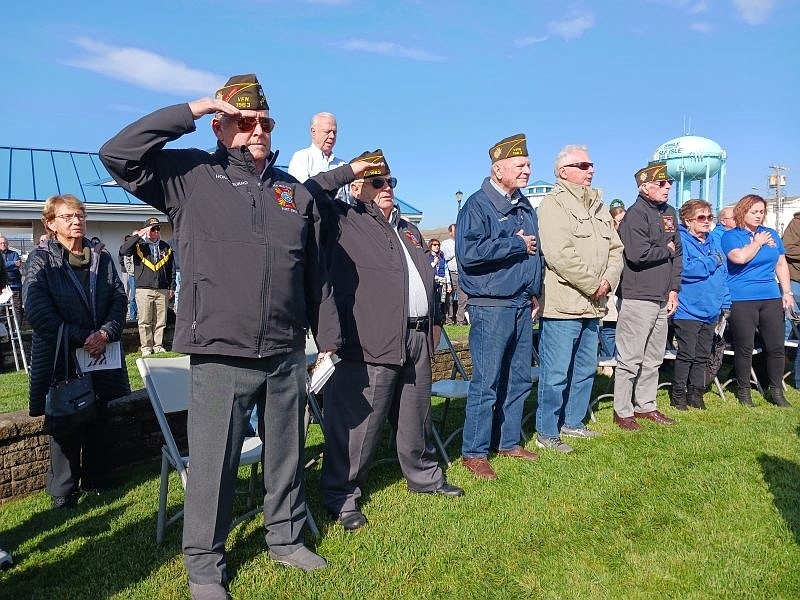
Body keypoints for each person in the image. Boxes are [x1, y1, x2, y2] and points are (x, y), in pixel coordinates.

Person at [100, 73, 373, 594]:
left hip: (286, 350)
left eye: (264, 122)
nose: (256, 130)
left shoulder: (293, 193)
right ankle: (205, 563)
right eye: (243, 121)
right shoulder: (190, 175)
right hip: (220, 351)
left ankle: (286, 537)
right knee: (213, 465)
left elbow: (316, 272)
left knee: (287, 452)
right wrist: (194, 107)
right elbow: (118, 153)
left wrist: (327, 337)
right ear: (221, 125)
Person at [318, 150, 463, 533]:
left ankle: (425, 477)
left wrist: (432, 325)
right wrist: (346, 172)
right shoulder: (341, 218)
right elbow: (307, 196)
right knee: (360, 423)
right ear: (357, 185)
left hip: (417, 335)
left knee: (416, 414)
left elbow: (426, 282)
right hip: (370, 338)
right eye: (376, 181)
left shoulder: (408, 229)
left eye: (390, 182)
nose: (386, 189)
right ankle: (341, 495)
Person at [23, 194, 129, 508]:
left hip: (100, 351)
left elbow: (119, 299)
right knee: (65, 418)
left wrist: (106, 333)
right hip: (62, 353)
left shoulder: (101, 255)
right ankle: (63, 490)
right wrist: (84, 338)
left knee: (100, 412)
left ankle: (99, 475)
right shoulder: (41, 260)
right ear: (51, 223)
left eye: (80, 215)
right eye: (68, 216)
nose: (76, 221)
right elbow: (39, 311)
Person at [455, 134, 544, 480]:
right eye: (520, 165)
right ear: (498, 168)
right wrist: (515, 244)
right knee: (487, 380)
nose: (527, 170)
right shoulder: (476, 206)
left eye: (528, 164)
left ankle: (508, 441)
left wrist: (535, 291)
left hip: (522, 303)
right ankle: (474, 452)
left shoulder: (523, 205)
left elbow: (537, 254)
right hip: (491, 307)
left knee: (519, 378)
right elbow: (469, 255)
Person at [535, 145, 623, 452]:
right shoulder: (553, 205)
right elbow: (559, 253)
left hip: (594, 304)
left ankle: (573, 423)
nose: (591, 170)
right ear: (563, 171)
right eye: (583, 165)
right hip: (565, 304)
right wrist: (592, 284)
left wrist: (608, 281)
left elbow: (616, 249)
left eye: (592, 164)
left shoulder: (598, 205)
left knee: (585, 368)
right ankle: (547, 432)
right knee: (556, 373)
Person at [613, 162, 681, 431]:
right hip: (638, 296)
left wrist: (674, 289)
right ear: (645, 187)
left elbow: (679, 254)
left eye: (669, 184)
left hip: (663, 296)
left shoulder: (670, 213)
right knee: (630, 358)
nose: (667, 188)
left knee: (654, 357)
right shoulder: (635, 215)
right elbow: (637, 255)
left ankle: (646, 405)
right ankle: (623, 411)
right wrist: (665, 248)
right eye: (661, 184)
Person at [721, 194, 792, 407]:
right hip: (742, 297)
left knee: (776, 346)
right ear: (743, 212)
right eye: (754, 212)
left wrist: (786, 292)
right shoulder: (731, 236)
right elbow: (739, 258)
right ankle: (744, 392)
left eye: (761, 212)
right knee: (745, 347)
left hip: (770, 296)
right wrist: (758, 244)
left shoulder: (771, 234)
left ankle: (776, 391)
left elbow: (781, 264)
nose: (758, 216)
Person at [671, 200, 729, 410]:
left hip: (711, 308)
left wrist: (725, 301)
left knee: (703, 355)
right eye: (701, 217)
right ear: (688, 221)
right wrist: (712, 262)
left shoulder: (713, 240)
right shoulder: (682, 240)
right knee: (686, 353)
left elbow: (723, 274)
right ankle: (678, 395)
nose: (707, 221)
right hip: (688, 308)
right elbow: (685, 269)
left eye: (709, 217)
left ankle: (696, 393)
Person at [119, 218, 176, 355]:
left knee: (161, 320)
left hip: (162, 288)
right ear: (146, 230)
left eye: (158, 229)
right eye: (152, 229)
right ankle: (146, 347)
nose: (156, 231)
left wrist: (172, 286)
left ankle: (158, 345)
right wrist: (138, 235)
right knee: (145, 320)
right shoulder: (139, 245)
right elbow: (123, 250)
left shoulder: (165, 247)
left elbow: (171, 269)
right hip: (144, 288)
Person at [599, 204, 626, 361]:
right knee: (609, 327)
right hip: (611, 287)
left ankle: (618, 358)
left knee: (622, 328)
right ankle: (607, 360)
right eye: (620, 220)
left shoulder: (629, 237)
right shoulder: (608, 239)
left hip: (623, 289)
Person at [288, 112, 345, 183]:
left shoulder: (342, 165)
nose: (332, 136)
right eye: (327, 131)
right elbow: (301, 191)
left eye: (334, 132)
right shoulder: (302, 158)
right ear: (313, 132)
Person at [782, 210, 800, 386]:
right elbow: (787, 247)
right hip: (794, 282)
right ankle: (771, 374)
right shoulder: (797, 222)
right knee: (785, 329)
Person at [440, 224, 467, 325]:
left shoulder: (464, 242)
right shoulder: (445, 244)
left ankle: (460, 319)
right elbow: (444, 257)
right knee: (449, 298)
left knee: (463, 298)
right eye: (455, 231)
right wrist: (455, 252)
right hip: (451, 273)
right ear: (450, 232)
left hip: (462, 273)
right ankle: (449, 319)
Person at [0, 236, 23, 326]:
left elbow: (17, 265)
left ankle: (17, 329)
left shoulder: (14, 254)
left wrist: (6, 266)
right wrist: (12, 263)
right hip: (2, 287)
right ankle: (5, 333)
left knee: (17, 309)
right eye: (1, 243)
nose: (3, 244)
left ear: (8, 244)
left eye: (4, 243)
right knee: (2, 310)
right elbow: (3, 267)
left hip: (15, 286)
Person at [427, 238, 451, 319]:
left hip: (441, 281)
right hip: (432, 281)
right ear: (430, 246)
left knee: (441, 300)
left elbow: (446, 270)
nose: (437, 246)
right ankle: (432, 318)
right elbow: (426, 269)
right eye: (434, 245)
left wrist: (448, 283)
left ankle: (439, 318)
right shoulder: (427, 256)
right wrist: (434, 263)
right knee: (432, 300)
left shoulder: (441, 256)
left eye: (438, 245)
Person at [118, 235, 138, 321]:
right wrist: (131, 272)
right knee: (131, 294)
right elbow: (124, 261)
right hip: (131, 274)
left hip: (139, 276)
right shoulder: (125, 249)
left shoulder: (138, 248)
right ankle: (132, 316)